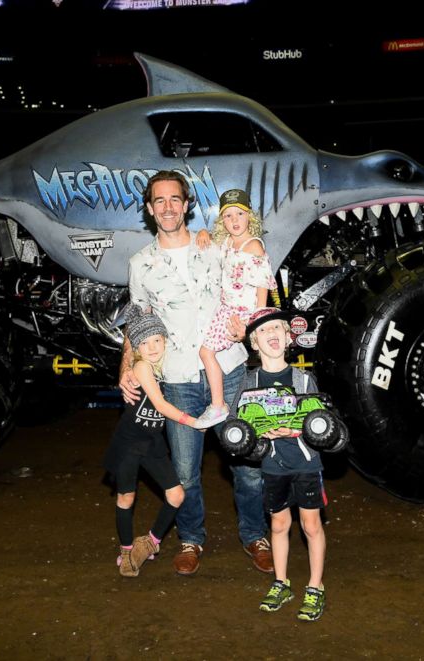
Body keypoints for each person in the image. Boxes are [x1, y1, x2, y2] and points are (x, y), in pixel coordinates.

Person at [119, 171, 273, 577]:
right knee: (185, 471)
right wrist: (128, 369)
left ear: (186, 205)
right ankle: (190, 539)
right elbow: (138, 322)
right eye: (159, 201)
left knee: (244, 459)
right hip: (178, 378)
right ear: (150, 210)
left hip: (231, 366)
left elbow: (253, 276)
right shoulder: (141, 264)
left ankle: (255, 535)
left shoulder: (216, 246)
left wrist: (254, 323)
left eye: (175, 199)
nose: (168, 207)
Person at [232, 307, 328, 621]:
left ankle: (315, 586)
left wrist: (299, 429)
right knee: (278, 525)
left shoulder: (303, 379)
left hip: (305, 462)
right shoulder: (249, 382)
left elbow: (322, 424)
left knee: (311, 525)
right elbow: (237, 427)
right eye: (263, 330)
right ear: (254, 344)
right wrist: (257, 437)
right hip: (273, 465)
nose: (271, 333)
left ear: (289, 337)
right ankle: (281, 582)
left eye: (277, 328)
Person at [105, 305, 196, 577]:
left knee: (177, 494)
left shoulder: (162, 367)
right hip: (129, 442)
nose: (153, 346)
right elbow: (159, 404)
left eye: (157, 340)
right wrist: (193, 422)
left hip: (153, 443)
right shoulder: (142, 367)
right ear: (136, 348)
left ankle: (150, 542)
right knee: (126, 497)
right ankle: (125, 549)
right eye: (145, 342)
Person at [192, 189, 277, 429]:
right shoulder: (227, 241)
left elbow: (263, 287)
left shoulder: (253, 247)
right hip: (224, 308)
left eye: (239, 214)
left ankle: (218, 405)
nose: (234, 220)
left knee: (206, 352)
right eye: (228, 216)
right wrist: (202, 231)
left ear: (250, 216)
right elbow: (212, 246)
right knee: (208, 352)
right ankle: (220, 404)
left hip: (240, 314)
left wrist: (254, 325)